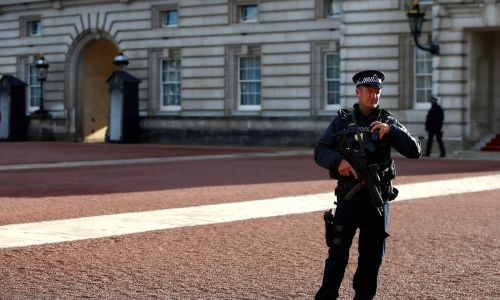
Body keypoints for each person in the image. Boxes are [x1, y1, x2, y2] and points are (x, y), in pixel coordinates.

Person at [314, 70, 421, 300]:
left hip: (377, 201)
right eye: (369, 91)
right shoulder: (342, 121)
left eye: (377, 92)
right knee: (337, 253)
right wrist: (339, 161)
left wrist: (392, 131)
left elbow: (415, 150)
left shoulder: (387, 120)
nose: (373, 96)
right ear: (358, 92)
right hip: (349, 198)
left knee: (372, 257)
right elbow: (320, 150)